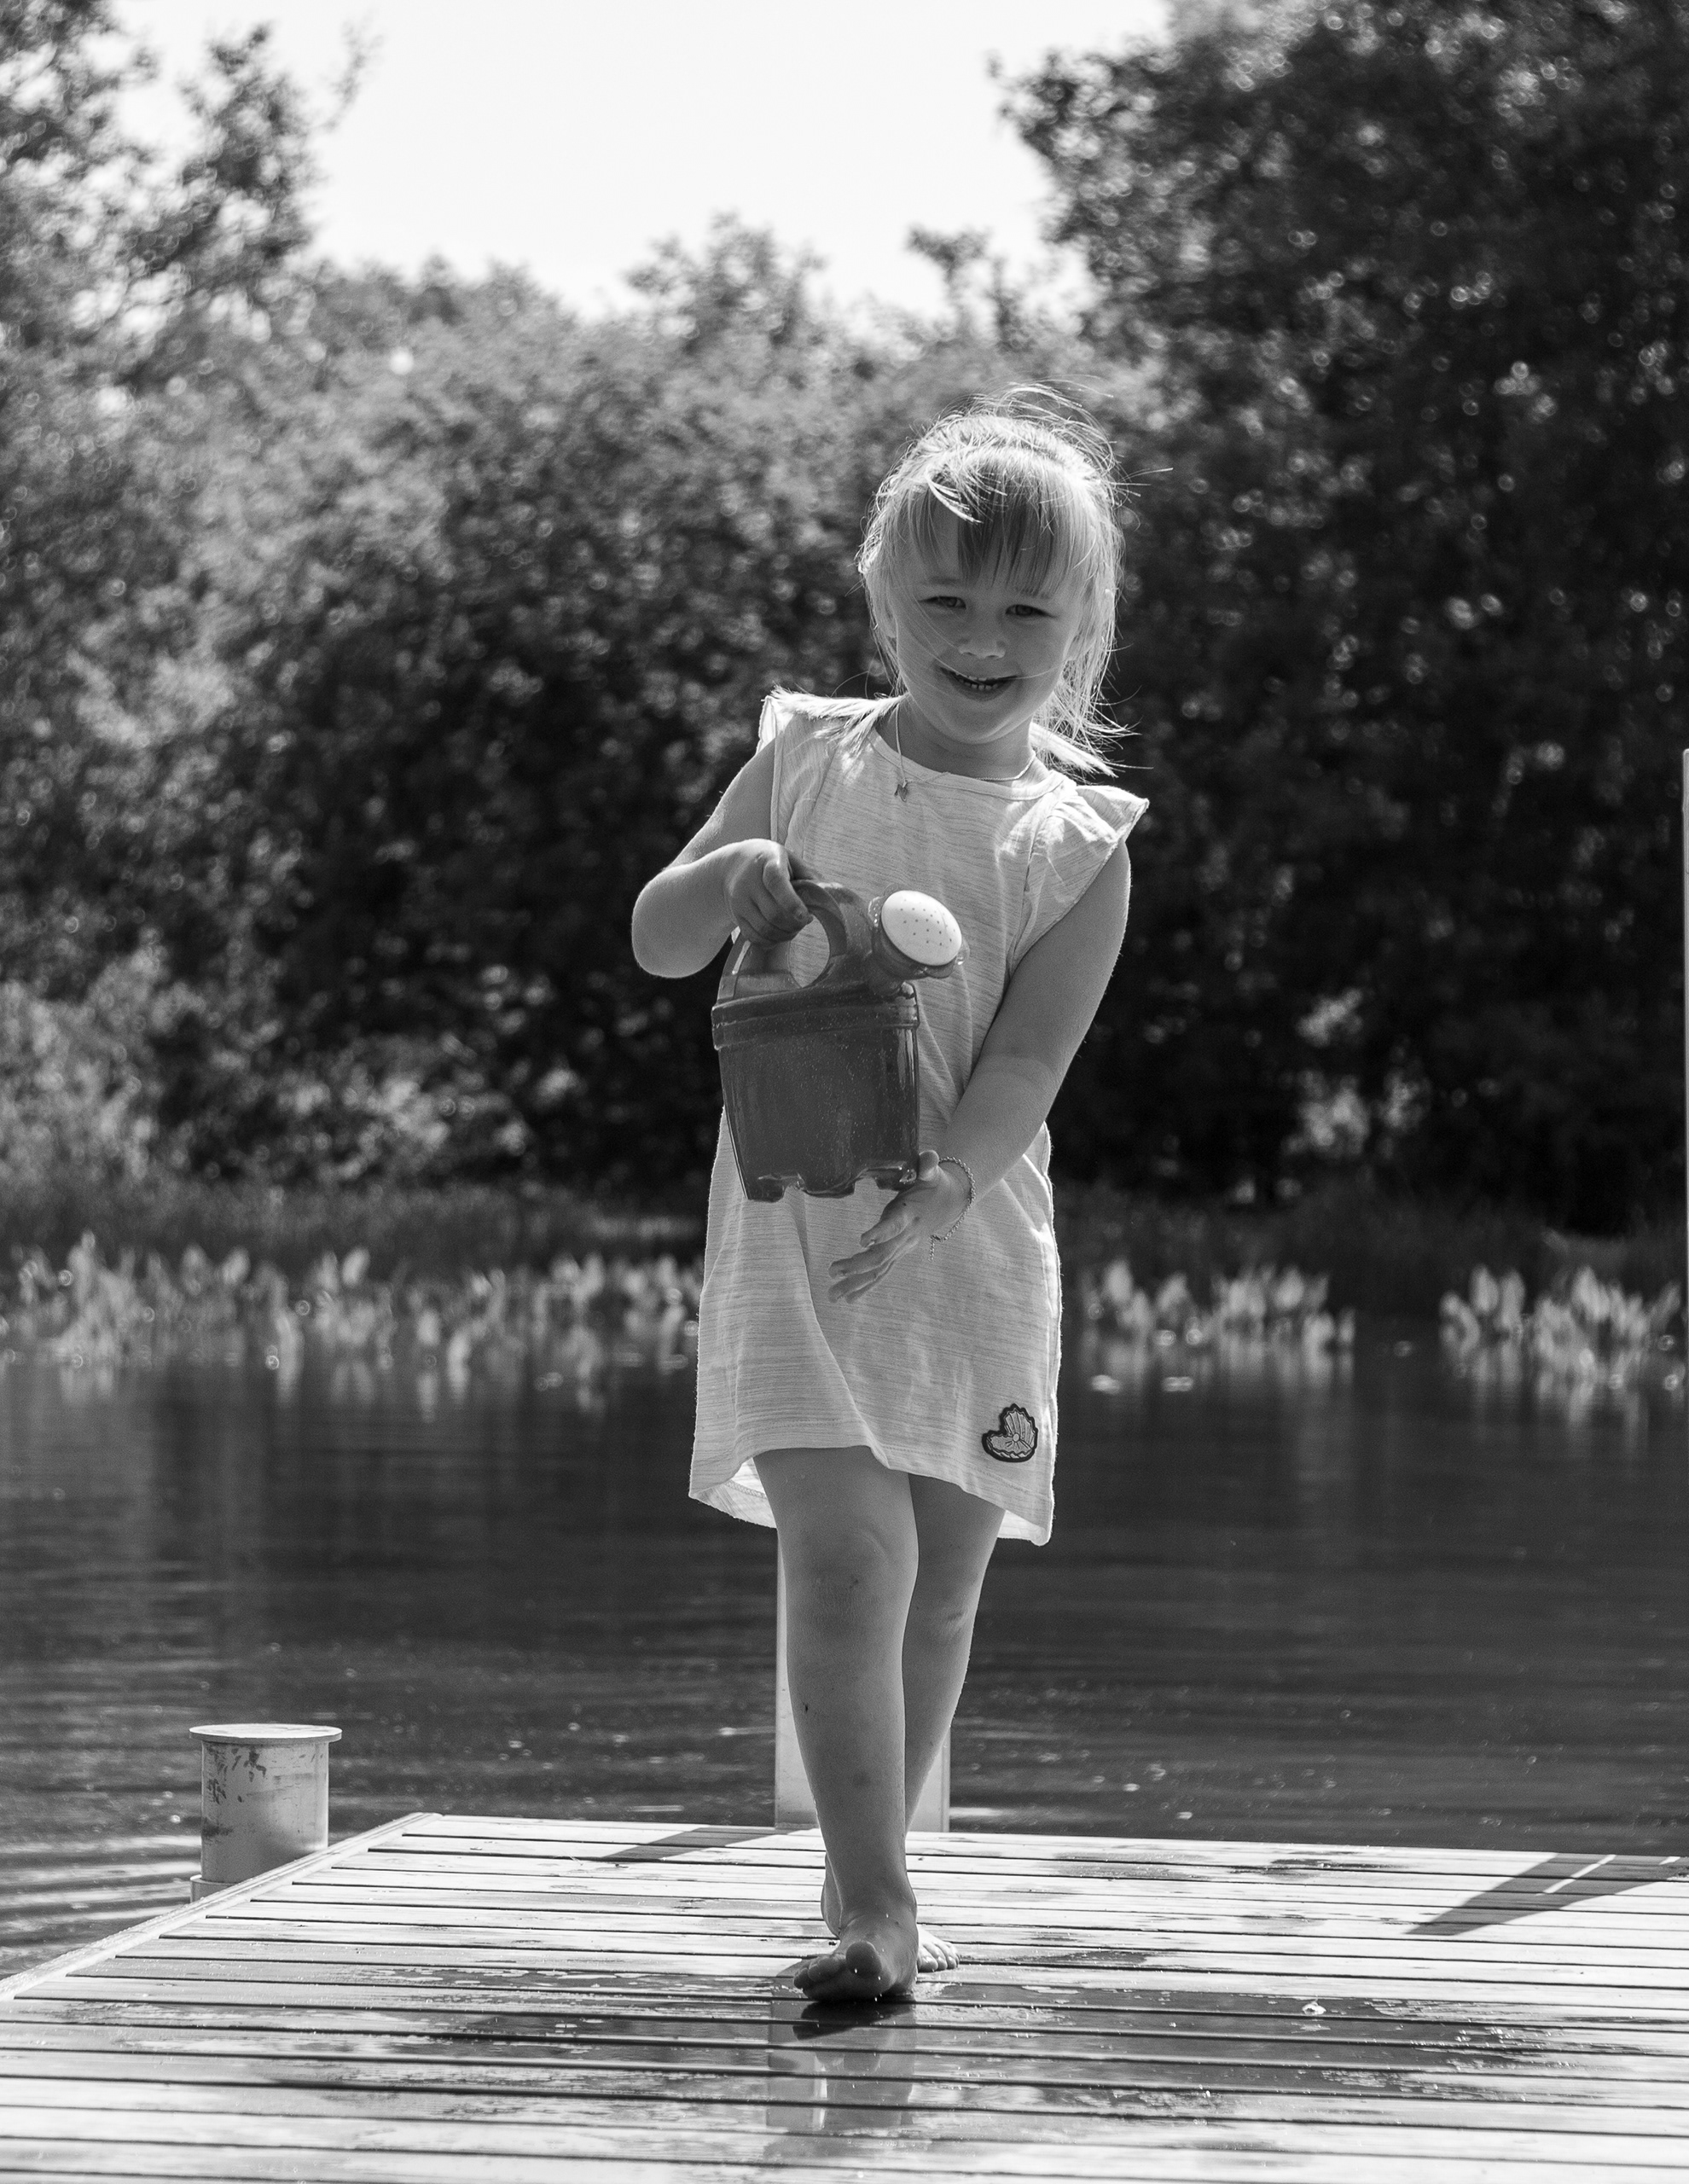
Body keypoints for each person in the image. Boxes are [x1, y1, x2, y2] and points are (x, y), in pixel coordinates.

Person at [630, 395, 1143, 2002]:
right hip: (796, 1235)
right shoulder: (804, 761)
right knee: (845, 1560)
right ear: (885, 599)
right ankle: (874, 1906)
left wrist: (950, 1181)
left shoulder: (1081, 849)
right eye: (947, 602)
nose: (982, 638)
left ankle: (881, 1873)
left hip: (971, 1243)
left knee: (938, 1597)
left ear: (1080, 630)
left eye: (1023, 612)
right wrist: (727, 884)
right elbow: (654, 936)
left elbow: (1028, 1067)